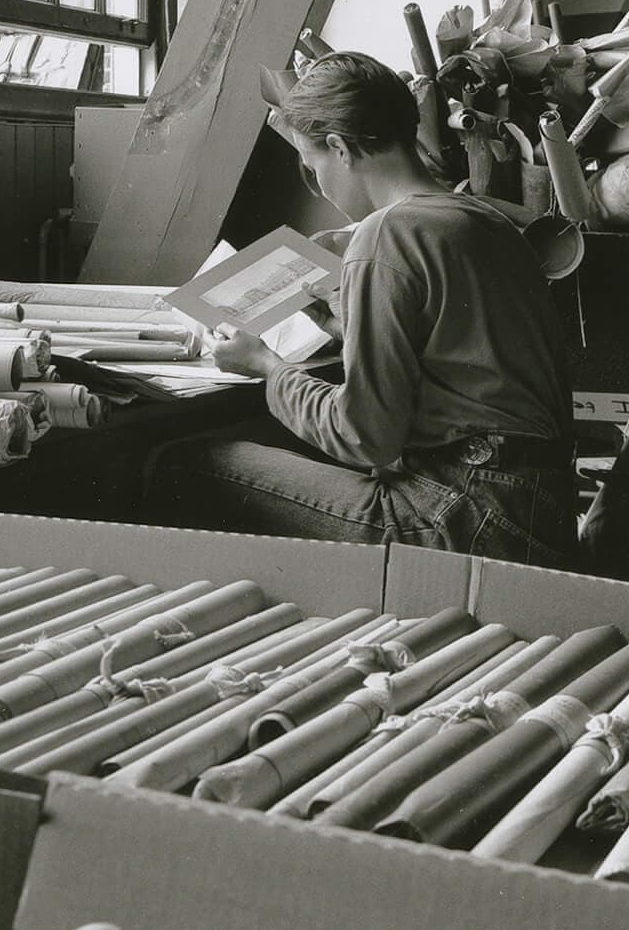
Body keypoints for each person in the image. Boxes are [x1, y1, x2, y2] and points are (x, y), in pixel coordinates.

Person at [150, 51, 578, 564]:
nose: (323, 188)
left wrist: (267, 367)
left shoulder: (386, 233)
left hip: (462, 516)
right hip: (536, 510)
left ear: (339, 147)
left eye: (315, 169)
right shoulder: (482, 218)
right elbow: (465, 361)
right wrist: (346, 326)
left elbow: (364, 437)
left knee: (187, 464)